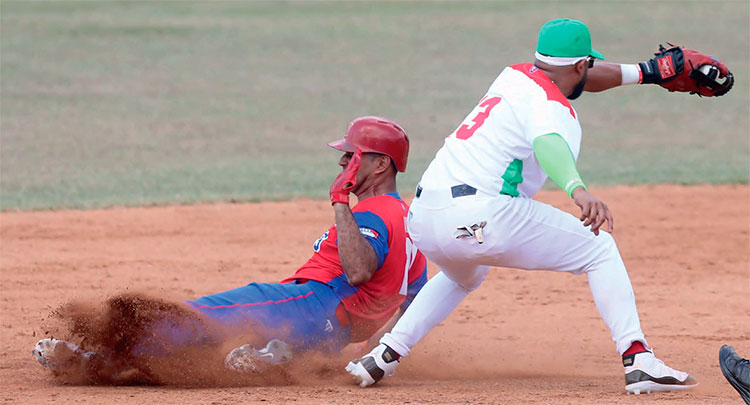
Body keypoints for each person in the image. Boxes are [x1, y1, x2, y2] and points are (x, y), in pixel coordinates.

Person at [346, 18, 733, 395]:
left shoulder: (515, 74)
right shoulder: (553, 110)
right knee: (599, 249)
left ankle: (384, 355)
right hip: (483, 215)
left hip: (426, 218)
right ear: (582, 64)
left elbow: (580, 77)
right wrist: (578, 190)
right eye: (587, 64)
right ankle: (638, 360)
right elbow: (550, 143)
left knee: (463, 276)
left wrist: (648, 72)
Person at [32, 116, 428, 381]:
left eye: (352, 154)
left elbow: (359, 271)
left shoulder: (375, 213)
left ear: (380, 166)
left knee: (192, 319)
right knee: (202, 356)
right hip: (328, 336)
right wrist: (373, 348)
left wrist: (341, 202)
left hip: (306, 302)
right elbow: (418, 299)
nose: (342, 161)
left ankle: (93, 359)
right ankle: (274, 356)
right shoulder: (412, 228)